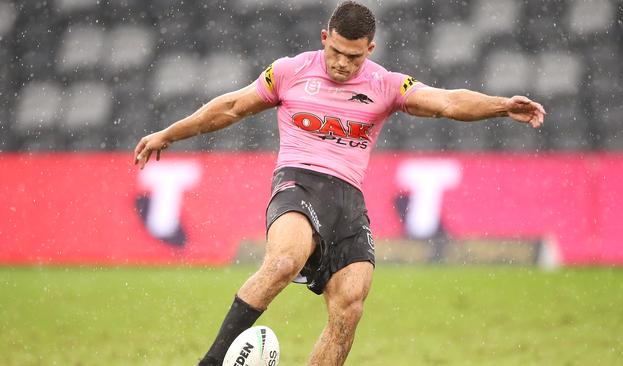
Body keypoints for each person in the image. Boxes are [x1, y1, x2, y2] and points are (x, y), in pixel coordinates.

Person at [133, 2, 545, 365]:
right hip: (298, 182)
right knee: (282, 261)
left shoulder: (385, 84)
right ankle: (211, 362)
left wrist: (501, 106)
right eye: (335, 52)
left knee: (349, 307)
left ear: (370, 49)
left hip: (348, 200)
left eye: (353, 56)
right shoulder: (290, 72)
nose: (343, 64)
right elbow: (231, 107)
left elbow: (448, 102)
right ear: (324, 37)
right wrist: (168, 134)